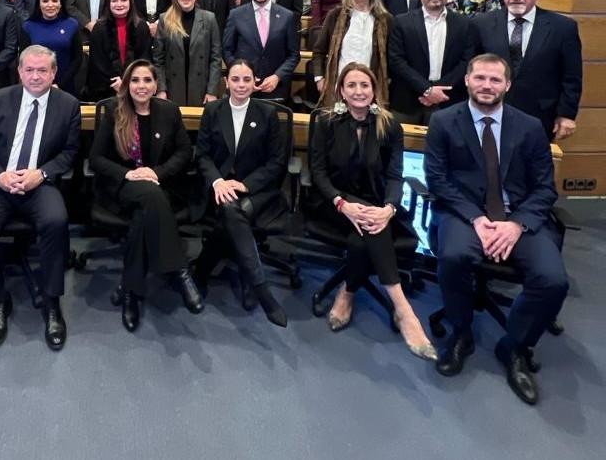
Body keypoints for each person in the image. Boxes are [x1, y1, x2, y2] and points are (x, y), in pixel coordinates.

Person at [425, 54, 568, 405]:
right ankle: (461, 333)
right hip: (465, 214)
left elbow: (545, 188)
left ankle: (515, 346)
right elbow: (438, 180)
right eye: (480, 78)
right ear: (468, 81)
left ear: (507, 85)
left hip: (518, 219)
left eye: (494, 80)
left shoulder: (530, 127)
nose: (487, 86)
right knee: (455, 256)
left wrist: (516, 225)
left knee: (553, 281)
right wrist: (476, 218)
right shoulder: (443, 121)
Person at [308, 62, 437, 360]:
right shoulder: (327, 122)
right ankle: (404, 310)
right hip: (332, 203)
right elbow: (318, 173)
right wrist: (342, 204)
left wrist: (390, 209)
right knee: (369, 227)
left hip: (375, 207)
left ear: (374, 90)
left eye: (364, 85)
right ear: (341, 90)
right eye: (351, 85)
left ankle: (347, 292)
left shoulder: (390, 125)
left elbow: (395, 176)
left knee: (362, 237)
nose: (358, 91)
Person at [0, 45, 81, 350]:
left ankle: (53, 303)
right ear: (19, 72)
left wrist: (40, 174)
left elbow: (70, 153)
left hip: (39, 183)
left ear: (53, 73)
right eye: (29, 70)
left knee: (57, 221)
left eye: (42, 70)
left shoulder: (68, 104)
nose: (35, 76)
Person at [89, 59, 202, 332]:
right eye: (135, 80)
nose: (141, 86)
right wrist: (127, 174)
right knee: (149, 197)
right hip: (123, 188)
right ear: (127, 85)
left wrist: (157, 172)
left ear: (155, 85)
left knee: (143, 216)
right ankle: (179, 270)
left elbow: (185, 153)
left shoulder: (169, 111)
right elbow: (96, 159)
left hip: (158, 188)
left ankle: (130, 291)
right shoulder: (114, 112)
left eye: (147, 80)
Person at [191, 59, 290, 328]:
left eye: (247, 79)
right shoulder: (212, 110)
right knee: (229, 207)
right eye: (236, 79)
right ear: (226, 82)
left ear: (255, 81)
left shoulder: (267, 114)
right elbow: (202, 156)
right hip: (219, 189)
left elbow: (276, 162)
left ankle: (202, 269)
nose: (241, 85)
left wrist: (245, 184)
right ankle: (261, 288)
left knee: (231, 210)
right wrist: (218, 182)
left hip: (256, 191)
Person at [473, 0, 582, 141]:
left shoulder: (562, 27)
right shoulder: (481, 23)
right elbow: (470, 67)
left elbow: (572, 76)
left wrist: (567, 114)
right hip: (487, 111)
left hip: (540, 115)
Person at [387, 0, 475, 125]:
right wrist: (427, 90)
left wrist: (438, 90)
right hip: (407, 101)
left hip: (447, 99)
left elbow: (467, 61)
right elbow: (396, 60)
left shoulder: (464, 24)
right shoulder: (401, 22)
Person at [310, 0, 392, 108]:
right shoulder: (335, 15)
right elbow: (319, 51)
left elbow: (392, 58)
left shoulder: (385, 19)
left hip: (371, 88)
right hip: (338, 85)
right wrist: (319, 79)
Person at [222, 0, 301, 100]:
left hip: (276, 91)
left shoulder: (287, 16)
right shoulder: (236, 15)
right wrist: (243, 76)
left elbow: (293, 55)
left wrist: (277, 76)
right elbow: (227, 50)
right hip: (243, 90)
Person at [152, 0, 222, 106]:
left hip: (201, 89)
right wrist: (161, 89)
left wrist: (212, 91)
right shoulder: (165, 19)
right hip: (172, 89)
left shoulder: (209, 19)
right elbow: (158, 59)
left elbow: (215, 58)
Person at [82, 0, 153, 101]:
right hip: (106, 90)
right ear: (108, 4)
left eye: (123, 0)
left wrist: (128, 83)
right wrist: (116, 83)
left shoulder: (141, 27)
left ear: (130, 2)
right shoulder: (99, 28)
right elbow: (98, 63)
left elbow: (144, 58)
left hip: (136, 89)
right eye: (114, 0)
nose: (119, 4)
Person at [19, 0, 82, 95]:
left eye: (54, 0)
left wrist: (59, 84)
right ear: (39, 4)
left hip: (65, 87)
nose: (50, 5)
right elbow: (23, 61)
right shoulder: (28, 26)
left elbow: (77, 58)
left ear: (61, 3)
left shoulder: (72, 24)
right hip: (35, 85)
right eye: (45, 1)